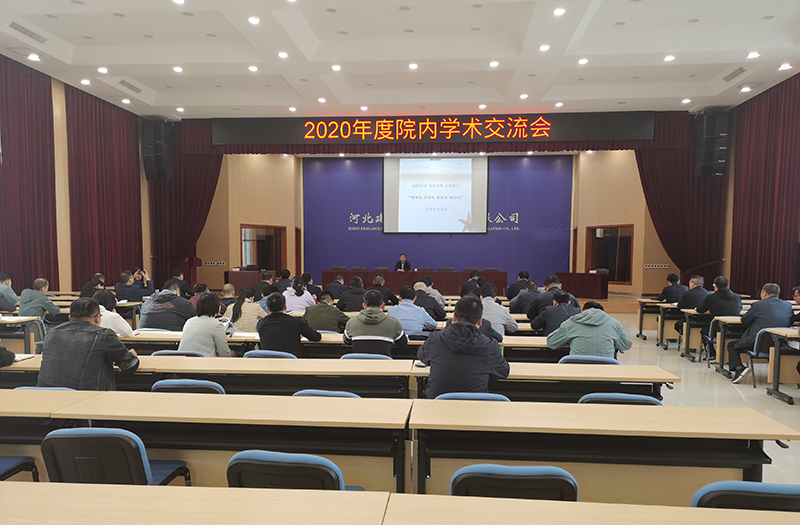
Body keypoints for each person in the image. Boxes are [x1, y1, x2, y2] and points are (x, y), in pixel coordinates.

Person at [417, 294, 510, 399]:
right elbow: (503, 372)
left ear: (454, 317)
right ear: (480, 321)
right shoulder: (490, 346)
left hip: (437, 405)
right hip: (476, 407)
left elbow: (422, 356)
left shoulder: (435, 339)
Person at [37, 298, 139, 390]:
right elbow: (129, 366)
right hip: (89, 397)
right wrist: (131, 355)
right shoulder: (105, 335)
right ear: (97, 318)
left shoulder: (52, 333)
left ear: (70, 317)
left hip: (47, 396)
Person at [730, 283, 793, 384]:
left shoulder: (758, 305)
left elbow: (744, 320)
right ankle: (779, 375)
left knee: (733, 345)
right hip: (780, 343)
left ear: (764, 293)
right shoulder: (787, 305)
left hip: (759, 344)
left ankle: (740, 369)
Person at [547, 302, 632, 359]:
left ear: (582, 311)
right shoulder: (614, 323)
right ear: (603, 312)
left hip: (577, 369)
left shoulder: (571, 322)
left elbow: (551, 342)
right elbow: (626, 345)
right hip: (606, 370)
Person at [343, 289, 407, 356]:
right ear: (383, 305)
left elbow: (347, 341)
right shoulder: (394, 323)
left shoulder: (351, 323)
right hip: (384, 362)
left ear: (364, 306)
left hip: (358, 362)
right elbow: (402, 343)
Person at [256, 292, 321, 357]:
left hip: (268, 361)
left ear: (267, 309)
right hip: (292, 361)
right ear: (285, 307)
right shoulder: (296, 322)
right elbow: (316, 337)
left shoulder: (261, 323)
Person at [178, 293, 233, 357]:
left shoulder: (189, 321)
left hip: (183, 360)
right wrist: (236, 354)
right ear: (217, 307)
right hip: (204, 361)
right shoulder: (216, 325)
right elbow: (224, 353)